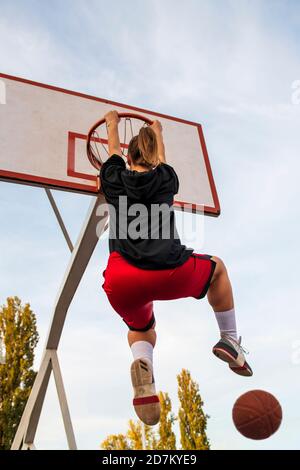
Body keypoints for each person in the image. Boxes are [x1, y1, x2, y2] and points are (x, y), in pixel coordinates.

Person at [100, 110, 253, 426]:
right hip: (170, 271)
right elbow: (161, 159)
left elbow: (112, 153)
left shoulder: (112, 178)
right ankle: (230, 340)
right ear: (154, 154)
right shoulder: (166, 178)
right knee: (218, 270)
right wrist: (158, 133)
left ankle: (144, 365)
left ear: (128, 159)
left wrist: (112, 125)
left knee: (141, 328)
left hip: (122, 279)